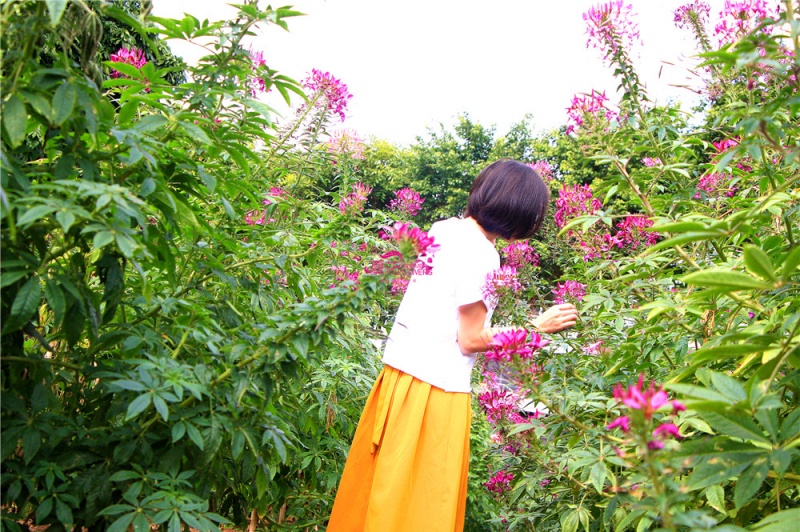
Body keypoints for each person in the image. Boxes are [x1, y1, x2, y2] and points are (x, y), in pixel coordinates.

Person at [327, 159, 578, 531]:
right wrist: (535, 329)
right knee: (419, 509)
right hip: (434, 393)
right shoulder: (483, 255)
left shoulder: (444, 229)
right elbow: (471, 339)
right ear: (521, 215)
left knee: (377, 496)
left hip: (398, 379)